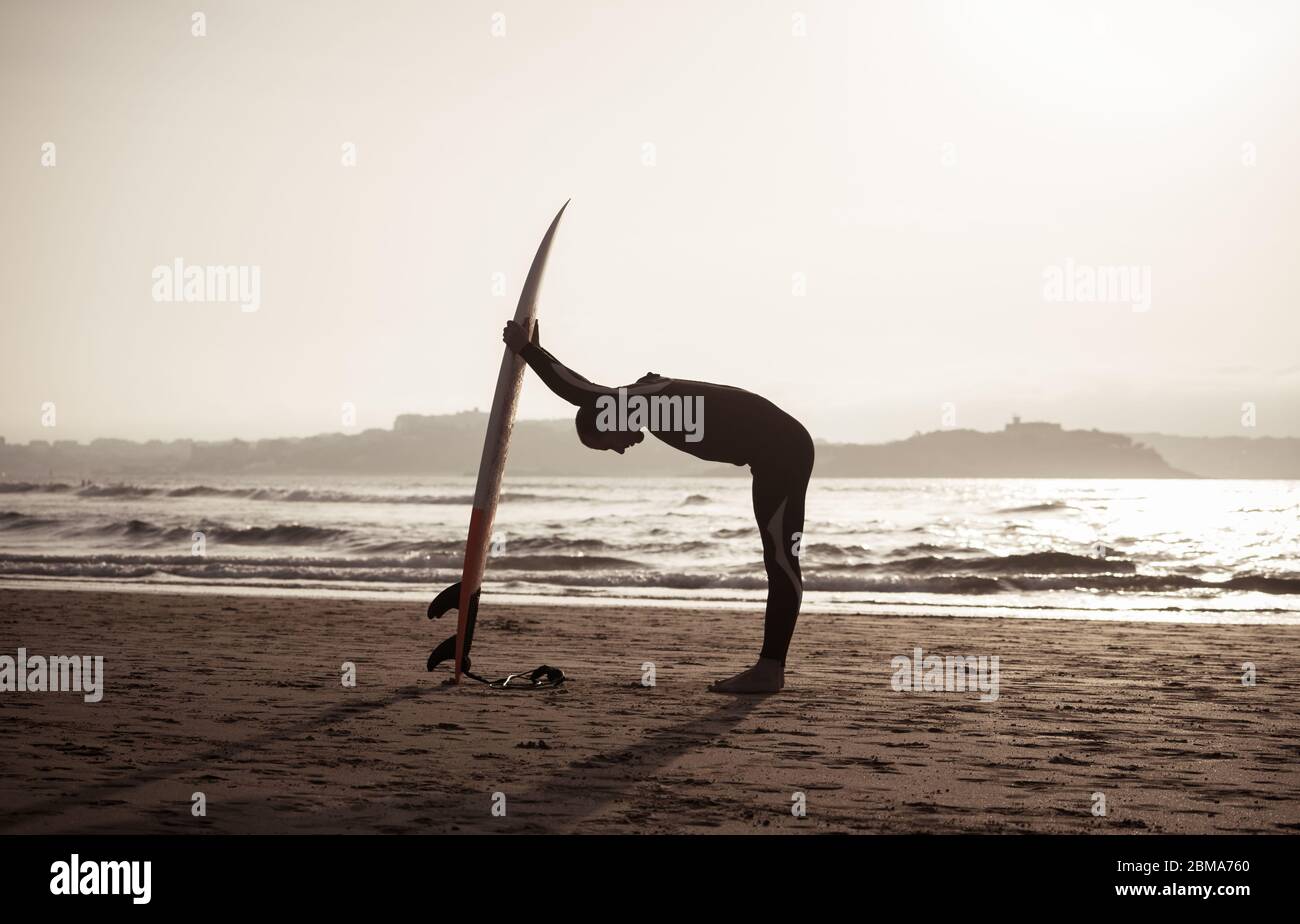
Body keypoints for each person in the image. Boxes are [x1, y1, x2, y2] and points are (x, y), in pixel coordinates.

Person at [503, 320, 814, 694]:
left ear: (608, 416)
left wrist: (528, 350)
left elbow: (577, 390)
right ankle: (770, 668)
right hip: (776, 455)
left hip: (784, 452)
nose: (619, 450)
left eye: (608, 443)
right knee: (777, 558)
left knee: (781, 559)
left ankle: (770, 670)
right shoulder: (649, 399)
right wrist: (538, 351)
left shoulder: (646, 404)